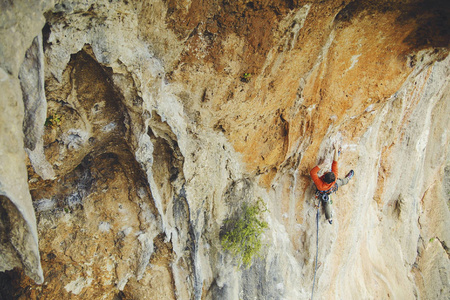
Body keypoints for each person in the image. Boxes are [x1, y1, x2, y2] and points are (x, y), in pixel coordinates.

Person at [310, 143, 354, 224]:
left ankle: (329, 218)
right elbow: (335, 162)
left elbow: (312, 173)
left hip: (324, 191)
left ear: (324, 178)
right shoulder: (335, 177)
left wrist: (322, 165)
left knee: (326, 203)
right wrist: (336, 150)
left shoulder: (320, 184)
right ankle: (348, 178)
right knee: (342, 182)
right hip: (332, 186)